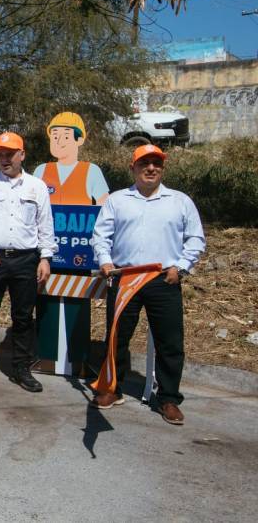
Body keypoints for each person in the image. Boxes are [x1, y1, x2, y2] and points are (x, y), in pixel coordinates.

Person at [89, 144, 205, 425]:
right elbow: (100, 236)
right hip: (125, 278)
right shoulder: (117, 200)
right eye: (144, 163)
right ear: (134, 168)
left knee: (170, 342)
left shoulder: (180, 201)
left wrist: (181, 268)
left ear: (162, 168)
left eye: (156, 163)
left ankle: (168, 399)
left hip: (163, 279)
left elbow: (196, 239)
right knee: (117, 338)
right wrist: (105, 262)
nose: (150, 168)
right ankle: (112, 389)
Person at [0, 132, 57, 392]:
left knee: (22, 317)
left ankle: (21, 368)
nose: (4, 159)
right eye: (0, 154)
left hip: (25, 260)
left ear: (22, 155)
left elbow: (45, 224)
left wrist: (45, 257)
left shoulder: (36, 186)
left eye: (9, 154)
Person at [32, 112, 109, 206]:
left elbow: (104, 208)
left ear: (79, 140)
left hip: (79, 221)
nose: (59, 141)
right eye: (55, 136)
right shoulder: (41, 170)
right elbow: (31, 205)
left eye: (66, 137)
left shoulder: (91, 171)